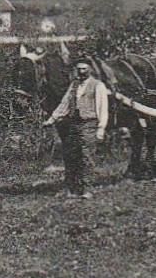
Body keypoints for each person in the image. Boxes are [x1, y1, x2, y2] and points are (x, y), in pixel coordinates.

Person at [42, 60, 111, 197]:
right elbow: (65, 103)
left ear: (90, 69)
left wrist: (101, 128)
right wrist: (52, 119)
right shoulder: (74, 85)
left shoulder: (98, 86)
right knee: (71, 156)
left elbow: (102, 108)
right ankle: (71, 188)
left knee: (86, 156)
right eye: (79, 69)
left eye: (84, 69)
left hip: (89, 124)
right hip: (74, 123)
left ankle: (87, 189)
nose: (81, 71)